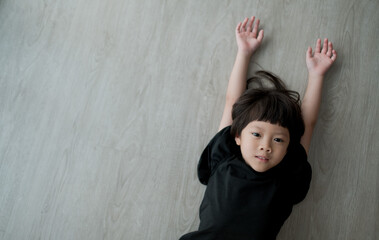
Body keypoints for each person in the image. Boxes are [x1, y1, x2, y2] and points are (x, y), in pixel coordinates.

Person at [179, 16, 337, 240]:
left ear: (288, 145)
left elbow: (307, 124)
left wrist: (317, 75)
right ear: (238, 137)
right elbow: (232, 102)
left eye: (278, 140)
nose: (266, 147)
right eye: (256, 134)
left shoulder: (287, 174)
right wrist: (244, 53)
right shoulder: (225, 156)